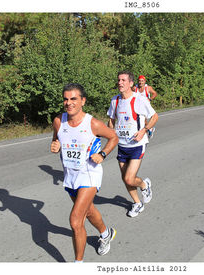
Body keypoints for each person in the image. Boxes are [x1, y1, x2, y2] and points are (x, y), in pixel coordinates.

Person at [50, 83, 119, 262]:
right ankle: (106, 233)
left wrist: (103, 154)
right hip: (70, 176)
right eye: (66, 99)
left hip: (89, 174)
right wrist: (55, 146)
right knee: (88, 211)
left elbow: (113, 137)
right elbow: (56, 140)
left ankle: (78, 264)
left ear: (83, 101)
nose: (69, 102)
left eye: (73, 99)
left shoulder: (93, 123)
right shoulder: (58, 121)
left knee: (75, 220)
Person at [107, 71, 159, 218]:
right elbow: (111, 120)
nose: (120, 82)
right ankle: (137, 203)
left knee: (130, 178)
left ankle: (144, 185)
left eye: (123, 80)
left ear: (131, 83)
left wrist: (144, 130)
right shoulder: (115, 101)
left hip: (137, 145)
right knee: (125, 178)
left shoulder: (139, 99)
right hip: (122, 145)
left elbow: (154, 116)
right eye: (118, 80)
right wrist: (109, 133)